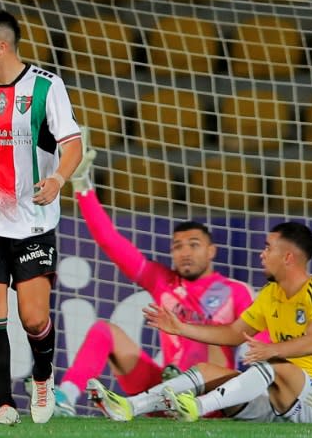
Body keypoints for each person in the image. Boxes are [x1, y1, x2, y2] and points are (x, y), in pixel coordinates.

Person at [53, 128, 256, 419]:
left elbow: (260, 345)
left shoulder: (236, 291)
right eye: (178, 246)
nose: (185, 252)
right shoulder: (162, 280)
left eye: (194, 245)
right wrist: (82, 186)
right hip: (161, 389)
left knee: (215, 339)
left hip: (209, 400)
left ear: (211, 251)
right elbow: (110, 241)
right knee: (103, 330)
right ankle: (66, 399)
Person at [0, 9, 83, 425]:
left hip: (33, 223)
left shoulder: (46, 86)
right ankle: (5, 404)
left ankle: (43, 377)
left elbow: (72, 143)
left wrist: (59, 178)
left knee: (34, 318)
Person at [92, 222, 312, 424]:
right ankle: (130, 406)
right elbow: (233, 333)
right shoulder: (271, 295)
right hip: (278, 402)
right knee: (206, 370)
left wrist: (273, 350)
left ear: (289, 257)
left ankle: (197, 407)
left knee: (274, 365)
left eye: (268, 248)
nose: (262, 255)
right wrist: (181, 328)